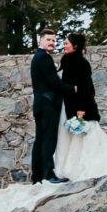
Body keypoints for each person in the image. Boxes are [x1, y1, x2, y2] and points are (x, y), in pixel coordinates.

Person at [55, 31, 107, 181]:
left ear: (75, 46)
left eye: (66, 43)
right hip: (69, 106)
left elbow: (86, 89)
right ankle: (72, 167)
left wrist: (81, 109)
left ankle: (83, 168)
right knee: (75, 138)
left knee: (85, 138)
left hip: (81, 107)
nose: (63, 46)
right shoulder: (67, 60)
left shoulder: (81, 63)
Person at [29, 29, 63, 182]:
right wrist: (73, 89)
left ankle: (37, 176)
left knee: (40, 140)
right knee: (48, 139)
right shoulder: (43, 58)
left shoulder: (39, 56)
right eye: (48, 40)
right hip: (48, 104)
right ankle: (48, 175)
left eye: (54, 40)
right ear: (40, 41)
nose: (52, 43)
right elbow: (54, 82)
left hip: (40, 104)